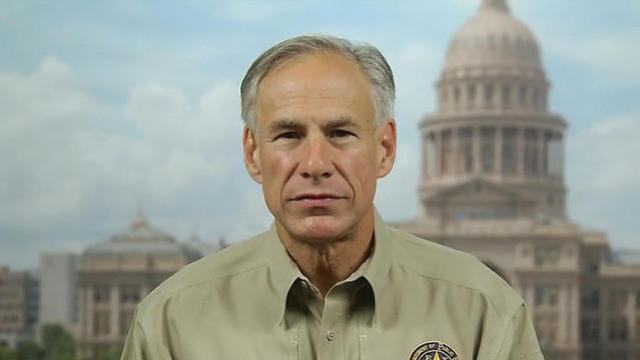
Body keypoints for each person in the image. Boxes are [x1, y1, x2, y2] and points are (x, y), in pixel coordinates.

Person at [121, 34, 543, 360]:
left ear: (384, 148)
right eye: (289, 135)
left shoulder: (485, 310)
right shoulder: (170, 321)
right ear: (253, 154)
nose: (315, 163)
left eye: (341, 133)